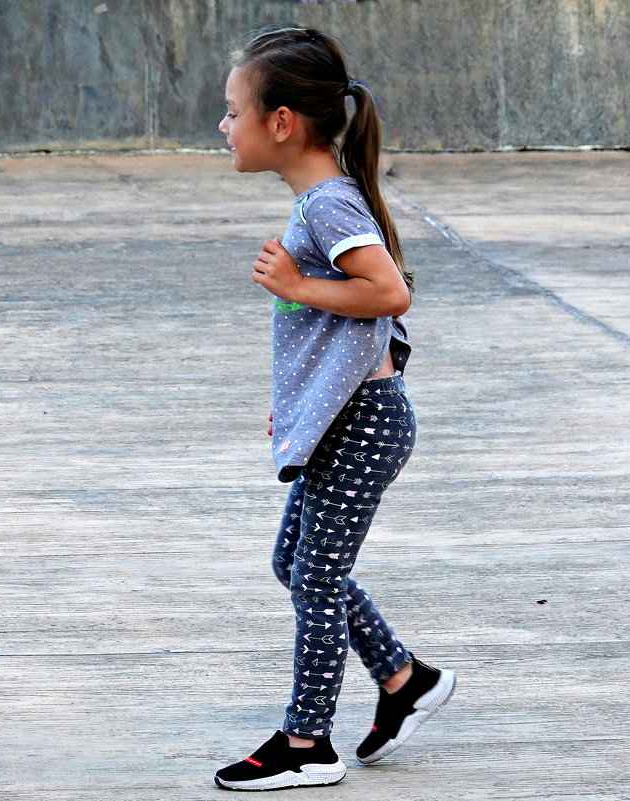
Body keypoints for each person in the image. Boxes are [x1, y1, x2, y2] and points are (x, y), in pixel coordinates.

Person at [212, 27, 455, 791]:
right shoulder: (320, 199)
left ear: (281, 122)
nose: (225, 128)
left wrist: (295, 285)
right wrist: (300, 407)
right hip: (347, 416)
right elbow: (336, 335)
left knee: (316, 578)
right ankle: (403, 679)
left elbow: (387, 293)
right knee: (297, 564)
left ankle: (307, 740)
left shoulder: (327, 204)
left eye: (231, 112)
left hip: (368, 422)